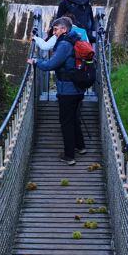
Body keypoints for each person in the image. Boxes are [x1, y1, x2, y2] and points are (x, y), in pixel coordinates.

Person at [27, 16, 86, 165]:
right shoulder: (75, 39)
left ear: (64, 29)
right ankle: (80, 146)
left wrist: (36, 61)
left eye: (55, 29)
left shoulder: (64, 44)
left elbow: (50, 65)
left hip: (68, 90)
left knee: (66, 122)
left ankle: (69, 156)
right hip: (78, 87)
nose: (53, 33)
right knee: (74, 118)